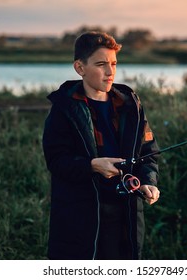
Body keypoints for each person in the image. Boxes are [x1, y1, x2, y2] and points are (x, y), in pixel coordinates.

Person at [42, 31, 160, 260]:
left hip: (127, 215)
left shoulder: (131, 105)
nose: (110, 72)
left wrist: (148, 182)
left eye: (114, 63)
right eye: (101, 64)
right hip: (81, 218)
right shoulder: (63, 108)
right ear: (80, 67)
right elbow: (56, 161)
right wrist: (92, 165)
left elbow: (148, 153)